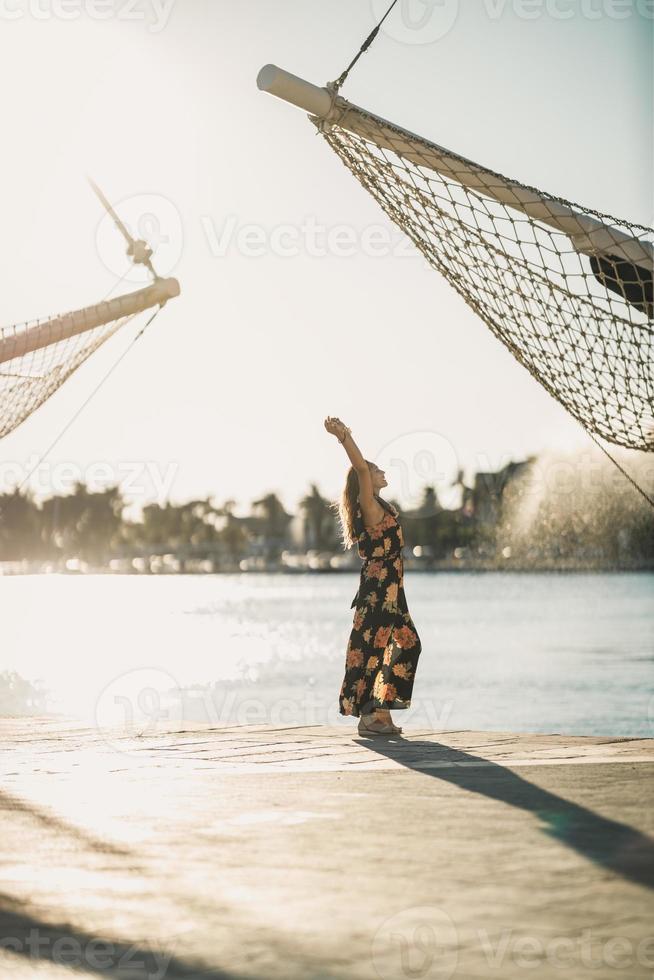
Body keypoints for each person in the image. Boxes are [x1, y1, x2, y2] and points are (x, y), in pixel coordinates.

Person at [324, 415, 422, 736]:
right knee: (376, 648)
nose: (380, 472)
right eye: (376, 470)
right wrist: (344, 436)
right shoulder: (368, 505)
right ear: (365, 482)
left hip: (393, 589)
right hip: (379, 589)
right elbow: (361, 468)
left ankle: (380, 713)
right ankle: (371, 717)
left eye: (378, 469)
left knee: (406, 643)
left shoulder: (380, 505)